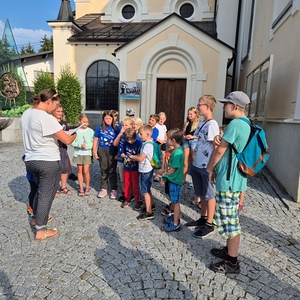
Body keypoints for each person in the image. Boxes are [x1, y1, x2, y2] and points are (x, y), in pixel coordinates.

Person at [20, 88, 77, 240]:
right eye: (55, 105)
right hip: (47, 161)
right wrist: (75, 133)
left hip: (31, 160)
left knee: (40, 190)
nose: (56, 108)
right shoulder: (46, 117)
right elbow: (66, 140)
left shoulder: (27, 114)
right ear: (49, 101)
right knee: (47, 194)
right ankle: (41, 229)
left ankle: (35, 218)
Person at [206, 91, 251, 274]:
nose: (223, 107)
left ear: (234, 106)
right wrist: (219, 141)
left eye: (226, 104)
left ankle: (232, 262)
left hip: (229, 181)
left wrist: (209, 169)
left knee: (231, 223)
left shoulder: (235, 125)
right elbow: (227, 147)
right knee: (229, 219)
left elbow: (219, 152)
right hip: (234, 179)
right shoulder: (246, 124)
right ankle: (228, 251)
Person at [185, 95, 219, 239]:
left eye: (200, 105)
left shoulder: (212, 125)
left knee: (209, 195)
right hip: (197, 164)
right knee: (202, 194)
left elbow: (215, 147)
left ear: (207, 106)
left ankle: (210, 224)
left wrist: (211, 168)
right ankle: (203, 218)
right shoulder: (201, 124)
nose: (198, 107)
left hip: (206, 166)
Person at [159, 128, 184, 232]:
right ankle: (174, 217)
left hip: (174, 180)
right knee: (173, 201)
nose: (166, 140)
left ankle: (175, 222)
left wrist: (164, 176)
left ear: (173, 140)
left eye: (168, 138)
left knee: (176, 201)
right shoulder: (175, 151)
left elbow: (173, 169)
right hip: (172, 180)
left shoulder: (177, 153)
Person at [129, 124, 155, 220]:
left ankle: (149, 212)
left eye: (141, 134)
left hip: (146, 170)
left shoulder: (148, 145)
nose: (139, 135)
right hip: (147, 169)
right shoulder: (148, 143)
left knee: (145, 191)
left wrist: (132, 157)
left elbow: (141, 158)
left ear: (147, 134)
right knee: (147, 189)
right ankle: (151, 205)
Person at [93, 110, 118, 199]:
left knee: (112, 170)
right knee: (104, 170)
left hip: (112, 151)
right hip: (102, 150)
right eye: (106, 118)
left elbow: (120, 141)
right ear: (103, 119)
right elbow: (96, 140)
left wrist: (119, 153)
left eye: (110, 118)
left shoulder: (117, 128)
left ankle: (114, 189)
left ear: (113, 119)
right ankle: (104, 188)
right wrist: (94, 152)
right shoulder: (99, 128)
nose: (108, 120)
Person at [71, 114, 94, 196]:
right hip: (78, 153)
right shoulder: (76, 131)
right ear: (79, 121)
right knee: (79, 171)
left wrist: (87, 146)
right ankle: (81, 187)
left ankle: (87, 187)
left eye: (87, 122)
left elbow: (93, 143)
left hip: (87, 153)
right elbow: (71, 142)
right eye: (84, 122)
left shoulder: (91, 131)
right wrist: (79, 145)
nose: (85, 123)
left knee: (86, 171)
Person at [52, 104, 72, 196]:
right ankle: (54, 188)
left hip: (63, 147)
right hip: (54, 147)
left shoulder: (64, 123)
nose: (60, 113)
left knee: (64, 167)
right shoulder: (51, 122)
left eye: (61, 111)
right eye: (58, 111)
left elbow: (67, 133)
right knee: (55, 168)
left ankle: (63, 186)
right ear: (53, 112)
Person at [113, 117, 134, 202]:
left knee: (129, 178)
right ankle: (124, 192)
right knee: (122, 178)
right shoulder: (121, 134)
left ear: (131, 126)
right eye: (122, 125)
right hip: (121, 159)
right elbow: (115, 144)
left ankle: (131, 194)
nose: (124, 127)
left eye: (126, 125)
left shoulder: (133, 135)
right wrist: (120, 133)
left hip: (130, 160)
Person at [120, 128, 142, 209]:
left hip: (135, 168)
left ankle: (138, 200)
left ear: (135, 137)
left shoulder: (139, 143)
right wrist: (122, 154)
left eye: (131, 139)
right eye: (128, 139)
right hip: (127, 167)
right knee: (127, 183)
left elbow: (141, 155)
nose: (129, 141)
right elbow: (122, 151)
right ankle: (127, 198)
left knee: (135, 185)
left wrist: (134, 157)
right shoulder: (125, 142)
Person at [182, 107, 200, 184]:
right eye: (188, 114)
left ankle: (194, 180)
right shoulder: (186, 123)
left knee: (194, 160)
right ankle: (183, 178)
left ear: (195, 114)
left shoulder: (199, 124)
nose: (189, 116)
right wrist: (185, 136)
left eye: (191, 114)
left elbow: (200, 135)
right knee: (185, 161)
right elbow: (183, 133)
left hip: (194, 141)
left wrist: (192, 137)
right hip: (186, 141)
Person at [153, 112, 167, 182]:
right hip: (158, 142)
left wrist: (165, 139)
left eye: (163, 119)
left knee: (163, 157)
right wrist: (159, 140)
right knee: (158, 157)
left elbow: (165, 134)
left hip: (163, 143)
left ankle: (162, 171)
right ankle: (156, 174)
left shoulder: (164, 127)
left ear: (165, 119)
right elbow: (155, 136)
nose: (161, 120)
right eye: (160, 119)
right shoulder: (156, 126)